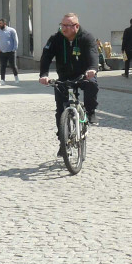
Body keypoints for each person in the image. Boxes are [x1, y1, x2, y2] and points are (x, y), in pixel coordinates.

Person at [38, 13, 99, 158]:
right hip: (64, 77)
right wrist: (44, 75)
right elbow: (46, 56)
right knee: (60, 110)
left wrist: (92, 69)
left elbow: (93, 54)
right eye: (62, 25)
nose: (63, 28)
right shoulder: (56, 39)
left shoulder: (86, 38)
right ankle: (62, 143)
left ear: (76, 26)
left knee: (92, 85)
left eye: (67, 26)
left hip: (83, 75)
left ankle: (91, 112)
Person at [0, 19, 20, 83]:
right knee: (3, 66)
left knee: (13, 65)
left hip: (11, 51)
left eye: (0, 23)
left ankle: (16, 78)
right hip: (2, 52)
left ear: (4, 24)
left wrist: (14, 49)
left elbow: (15, 40)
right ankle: (2, 80)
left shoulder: (12, 30)